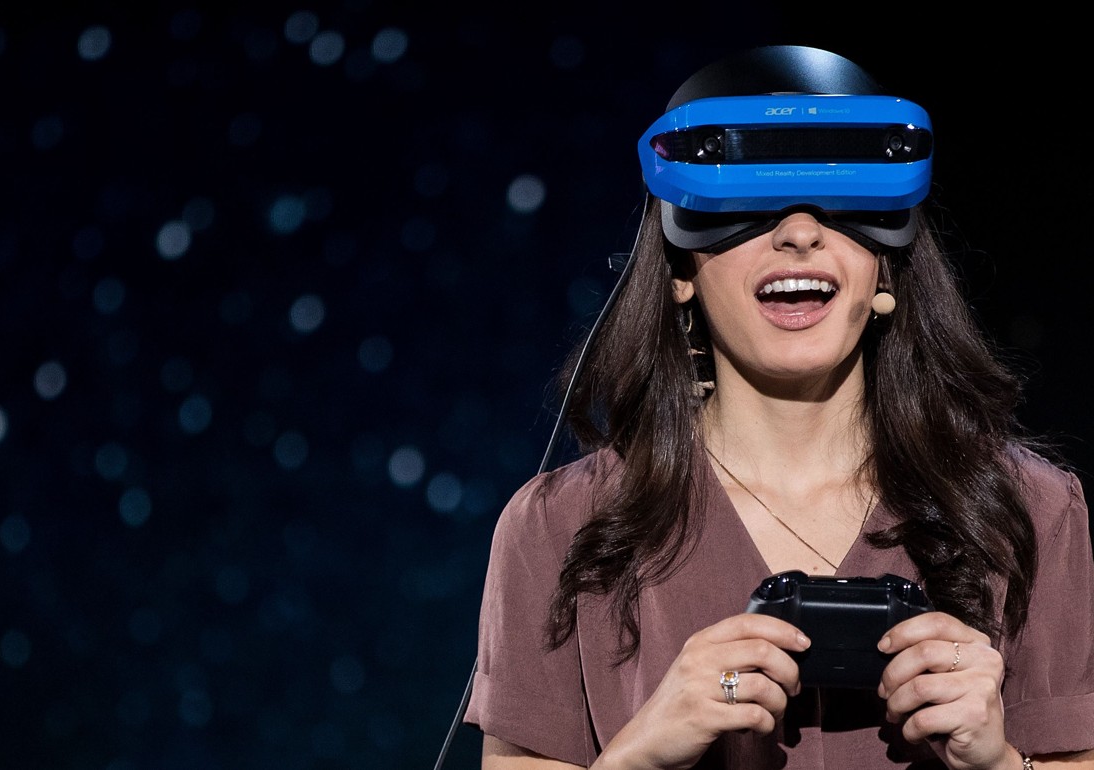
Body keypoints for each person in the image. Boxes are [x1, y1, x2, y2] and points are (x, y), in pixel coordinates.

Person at [463, 45, 1094, 769]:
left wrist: (997, 760)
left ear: (885, 269)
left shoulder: (1033, 512)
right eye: (752, 204)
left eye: (842, 200)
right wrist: (641, 752)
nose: (798, 232)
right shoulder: (558, 529)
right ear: (680, 275)